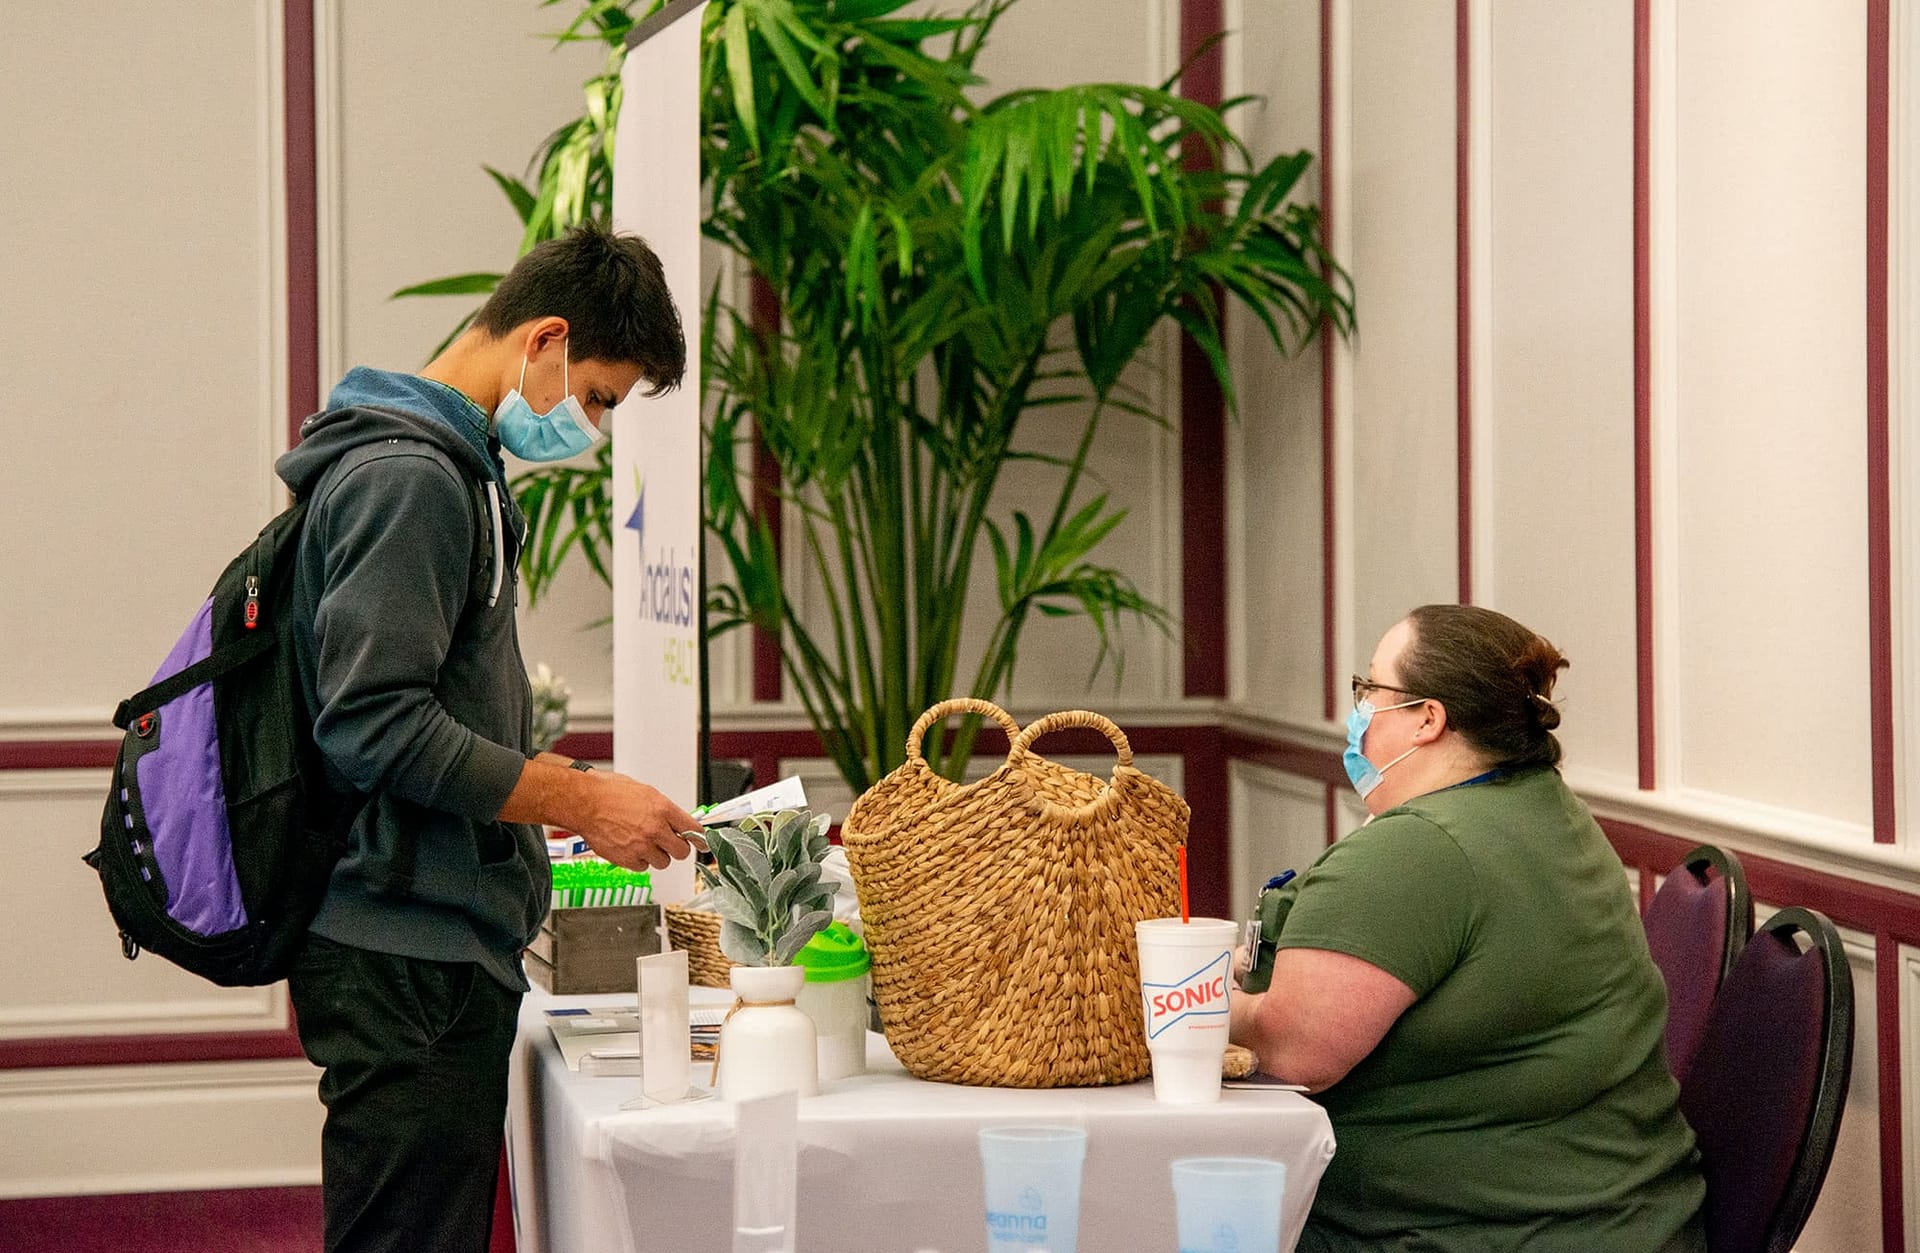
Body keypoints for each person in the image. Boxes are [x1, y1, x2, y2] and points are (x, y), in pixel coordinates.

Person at [274, 222, 705, 1253]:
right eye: (598, 394)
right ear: (545, 339)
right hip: (402, 957)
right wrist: (577, 797)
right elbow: (373, 723)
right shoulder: (412, 479)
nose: (590, 423)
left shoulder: (449, 467)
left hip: (421, 947)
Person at [1229, 604, 1705, 1252]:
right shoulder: (1545, 807)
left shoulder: (1420, 849)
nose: (1360, 710)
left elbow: (1293, 1051)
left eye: (1371, 689)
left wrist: (1196, 1002)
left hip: (1488, 1231)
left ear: (1428, 717)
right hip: (1614, 1214)